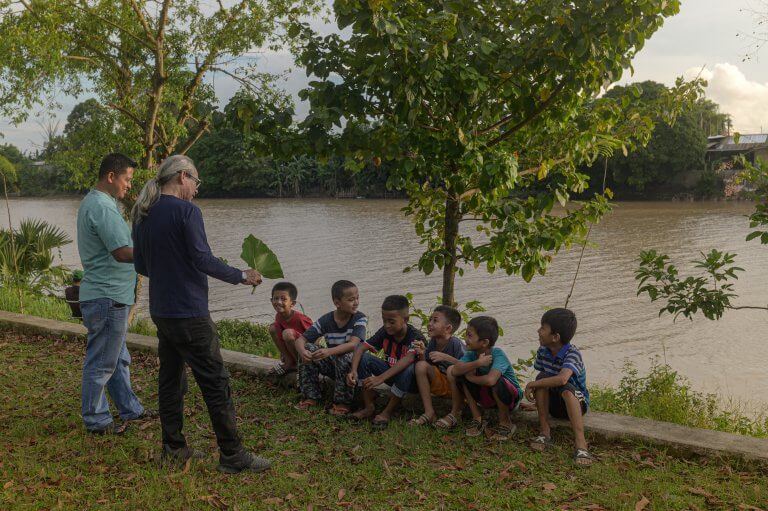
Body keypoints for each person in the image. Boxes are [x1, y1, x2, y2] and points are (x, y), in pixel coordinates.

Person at [131, 154, 269, 474]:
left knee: (170, 380)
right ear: (182, 177)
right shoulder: (187, 212)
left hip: (162, 312)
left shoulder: (143, 213)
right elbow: (202, 259)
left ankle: (173, 447)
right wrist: (241, 275)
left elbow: (140, 266)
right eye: (196, 181)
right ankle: (233, 455)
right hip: (189, 312)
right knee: (215, 382)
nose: (196, 189)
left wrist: (169, 270)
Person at [76, 153, 152, 435]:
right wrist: (157, 255)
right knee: (102, 362)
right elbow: (121, 253)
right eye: (127, 179)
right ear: (111, 176)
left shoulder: (101, 203)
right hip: (107, 296)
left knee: (117, 359)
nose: (129, 185)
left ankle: (130, 409)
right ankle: (96, 420)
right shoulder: (102, 207)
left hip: (110, 295)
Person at [525, 308, 593, 466]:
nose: (538, 331)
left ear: (555, 337)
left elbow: (562, 379)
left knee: (566, 388)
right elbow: (544, 379)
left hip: (576, 403)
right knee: (542, 378)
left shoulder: (572, 353)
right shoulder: (543, 351)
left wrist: (531, 384)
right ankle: (544, 431)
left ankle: (581, 443)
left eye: (543, 328)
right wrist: (537, 404)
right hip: (554, 405)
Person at [437, 316, 522, 441]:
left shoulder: (497, 354)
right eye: (466, 335)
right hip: (487, 397)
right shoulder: (471, 354)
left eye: (470, 336)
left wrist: (471, 378)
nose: (466, 339)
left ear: (484, 342)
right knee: (461, 373)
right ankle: (477, 418)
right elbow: (455, 370)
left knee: (497, 381)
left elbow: (491, 380)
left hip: (509, 398)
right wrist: (477, 363)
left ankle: (506, 422)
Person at [347, 295, 425, 429]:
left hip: (411, 382)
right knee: (364, 357)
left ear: (405, 319)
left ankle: (387, 412)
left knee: (408, 368)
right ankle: (369, 407)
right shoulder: (385, 331)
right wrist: (353, 370)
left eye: (391, 321)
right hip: (391, 375)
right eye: (384, 320)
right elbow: (360, 347)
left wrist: (380, 378)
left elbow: (409, 359)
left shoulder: (415, 337)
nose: (387, 325)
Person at [294, 280, 367, 417]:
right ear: (337, 303)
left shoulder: (359, 318)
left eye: (357, 298)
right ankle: (311, 396)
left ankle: (343, 403)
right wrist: (303, 352)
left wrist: (328, 351)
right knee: (309, 348)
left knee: (343, 355)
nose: (356, 302)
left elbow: (353, 344)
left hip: (353, 369)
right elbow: (300, 340)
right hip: (334, 365)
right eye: (351, 299)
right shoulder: (326, 320)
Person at [408, 305, 465, 427]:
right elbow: (427, 365)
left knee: (452, 370)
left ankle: (455, 413)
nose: (430, 323)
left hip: (457, 388)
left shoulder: (455, 344)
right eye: (430, 319)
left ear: (448, 328)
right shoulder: (433, 341)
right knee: (420, 365)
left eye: (435, 320)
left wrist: (445, 357)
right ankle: (429, 412)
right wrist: (423, 353)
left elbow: (467, 366)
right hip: (440, 384)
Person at [267, 281, 313, 376]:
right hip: (292, 349)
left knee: (287, 333)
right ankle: (289, 361)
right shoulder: (279, 316)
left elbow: (315, 336)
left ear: (292, 303)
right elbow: (279, 335)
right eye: (276, 298)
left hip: (305, 352)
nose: (279, 302)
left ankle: (300, 366)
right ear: (271, 300)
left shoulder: (300, 318)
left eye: (283, 299)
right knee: (272, 328)